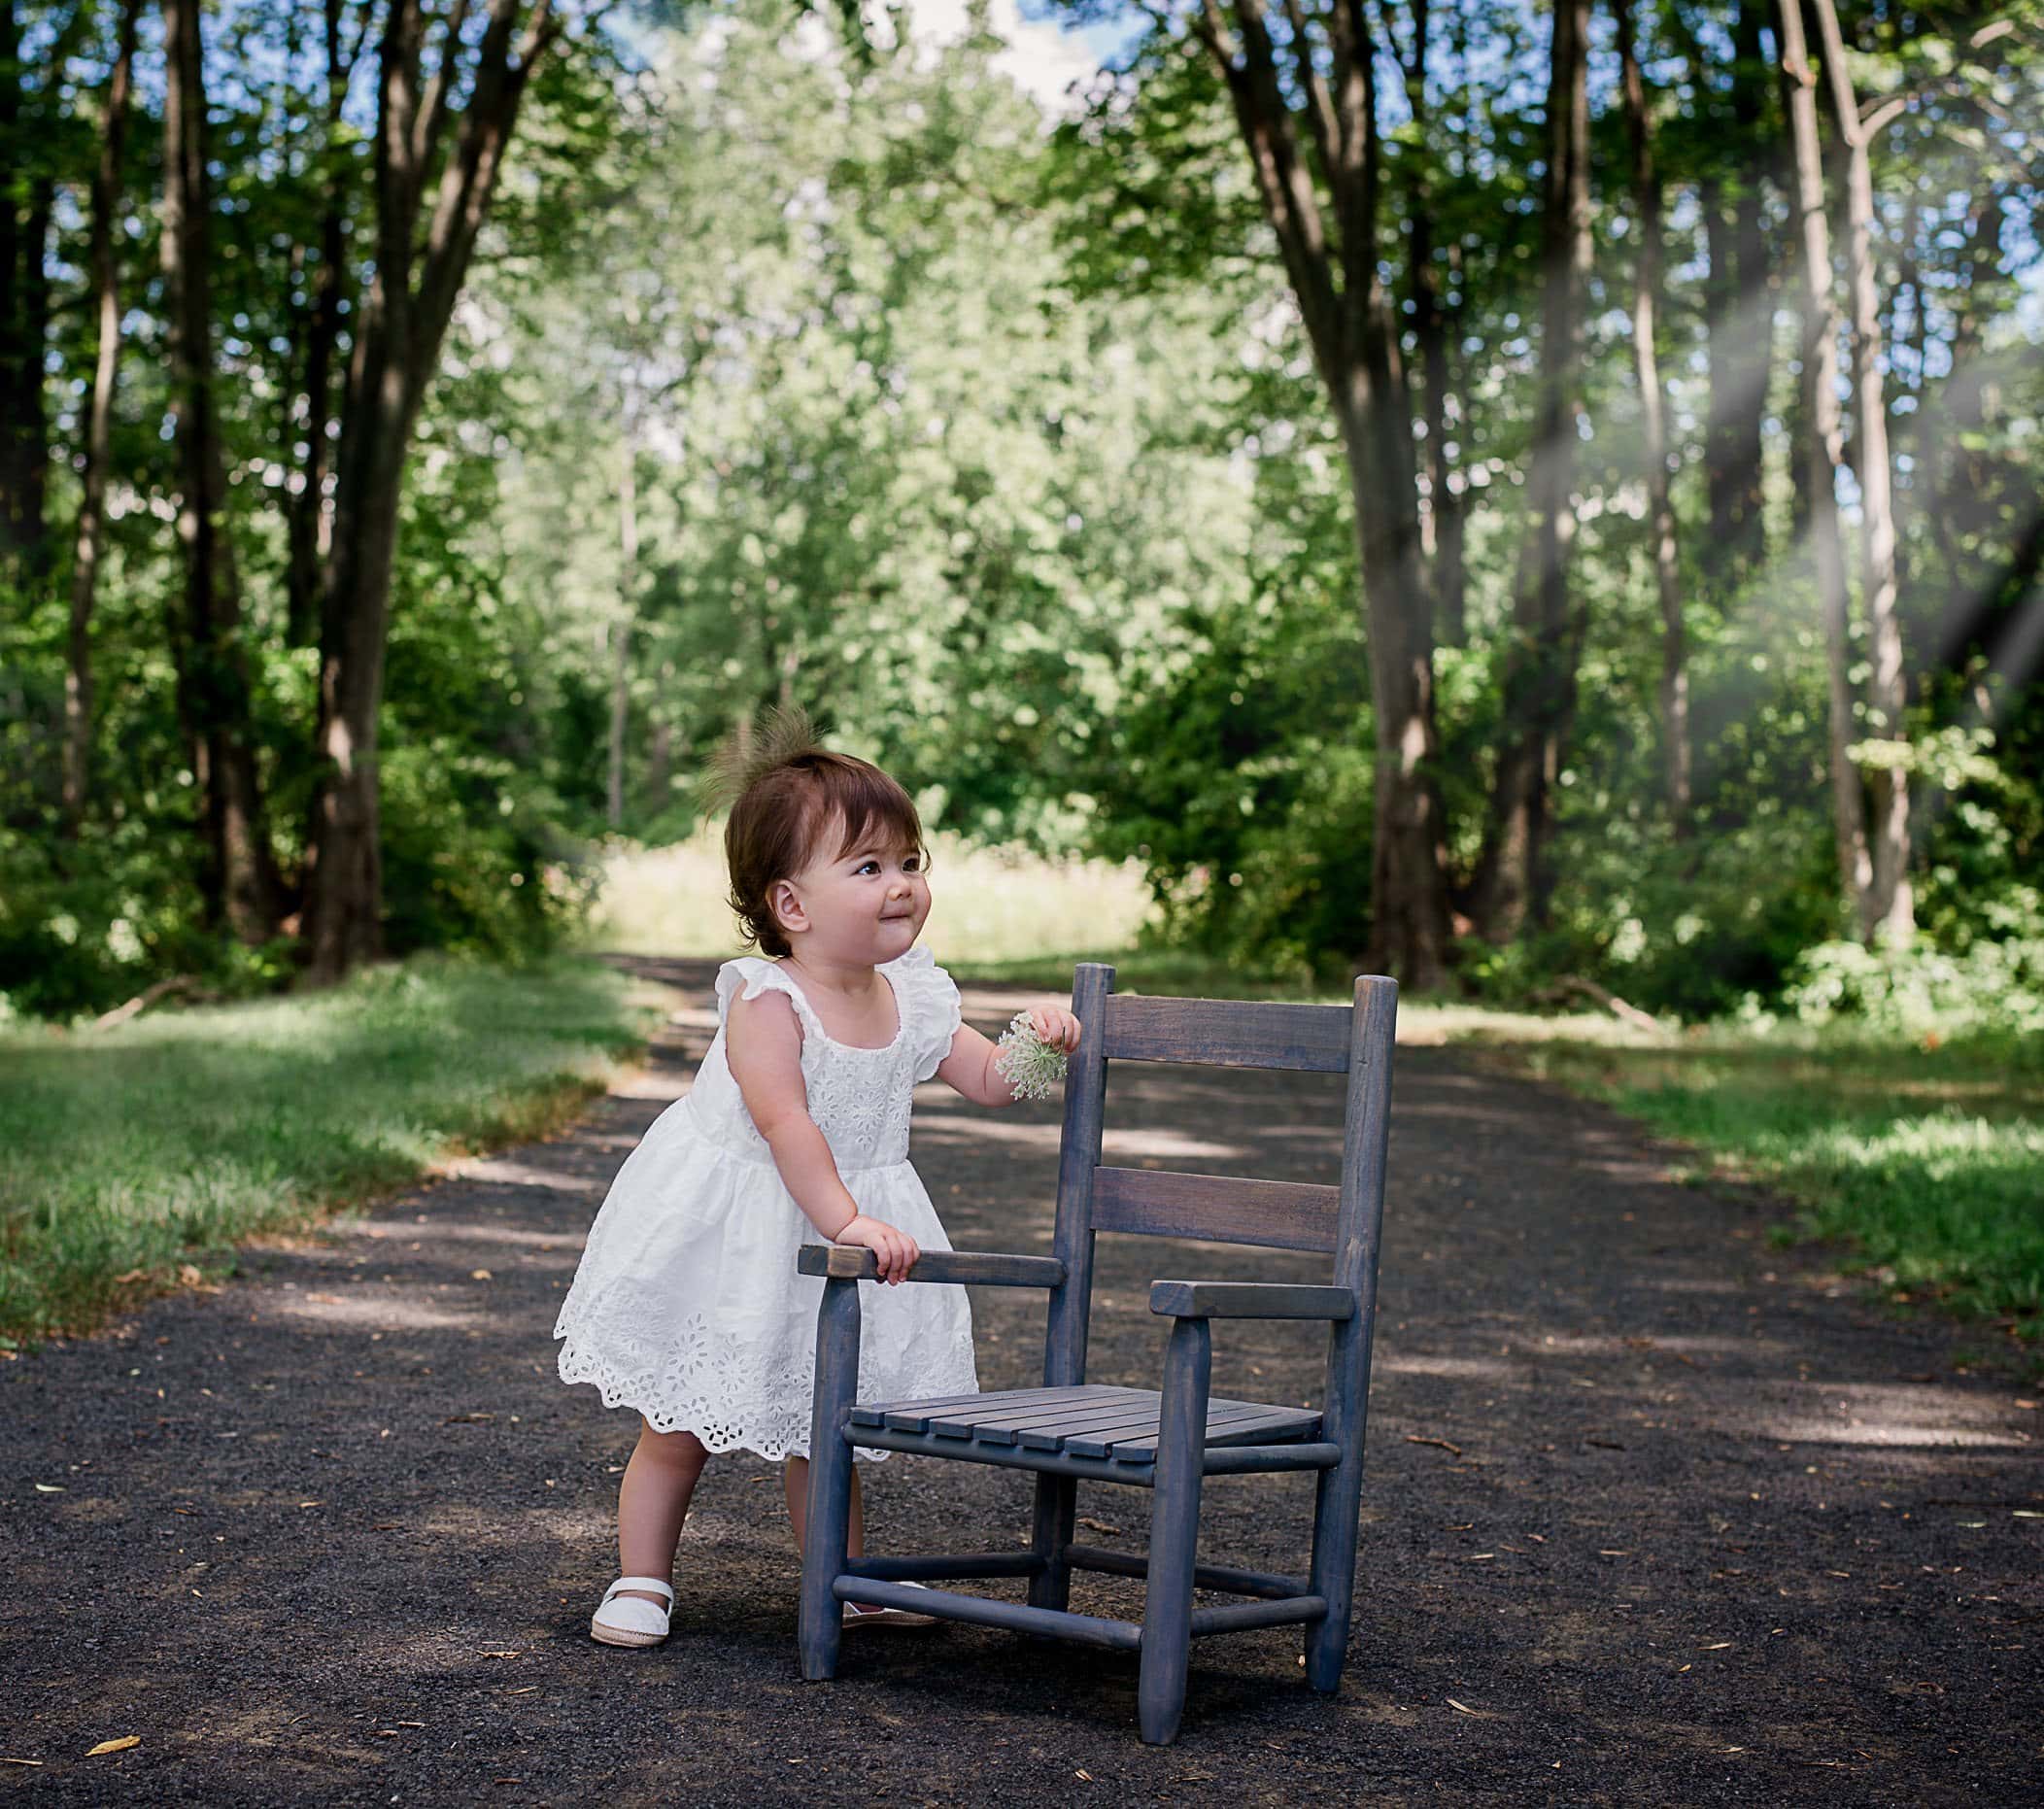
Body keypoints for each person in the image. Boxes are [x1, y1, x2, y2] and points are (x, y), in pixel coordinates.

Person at [555, 705, 1083, 1649]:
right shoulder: (769, 1000)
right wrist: (847, 1218)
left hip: (843, 1222)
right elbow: (784, 1123)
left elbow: (989, 1082)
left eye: (912, 861)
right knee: (677, 1416)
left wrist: (1036, 1047)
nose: (903, 886)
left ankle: (840, 1578)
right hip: (738, 1222)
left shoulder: (912, 989)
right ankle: (641, 1576)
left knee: (822, 1420)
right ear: (791, 904)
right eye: (870, 867)